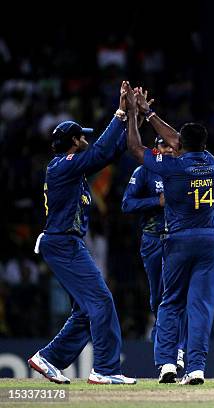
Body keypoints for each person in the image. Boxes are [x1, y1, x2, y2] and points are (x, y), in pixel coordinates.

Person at [28, 81, 136, 385]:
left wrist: (130, 118)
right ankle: (104, 369)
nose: (86, 140)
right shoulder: (63, 166)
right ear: (75, 142)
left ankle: (48, 358)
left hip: (66, 243)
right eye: (82, 137)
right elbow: (101, 151)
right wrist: (117, 113)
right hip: (62, 243)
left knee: (86, 311)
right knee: (101, 302)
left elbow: (110, 153)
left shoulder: (71, 167)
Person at [124, 86, 214, 385]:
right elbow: (178, 139)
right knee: (200, 306)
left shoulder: (174, 168)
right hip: (209, 241)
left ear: (180, 146)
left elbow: (136, 149)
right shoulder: (212, 162)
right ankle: (197, 368)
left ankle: (166, 363)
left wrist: (133, 115)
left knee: (170, 302)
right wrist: (149, 113)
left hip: (178, 240)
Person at [121, 136, 187, 371]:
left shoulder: (182, 168)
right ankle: (166, 352)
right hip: (152, 239)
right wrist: (156, 201)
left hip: (178, 239)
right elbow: (126, 204)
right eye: (163, 146)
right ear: (155, 149)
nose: (169, 149)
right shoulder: (144, 171)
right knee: (159, 297)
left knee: (180, 294)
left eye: (172, 146)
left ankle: (177, 351)